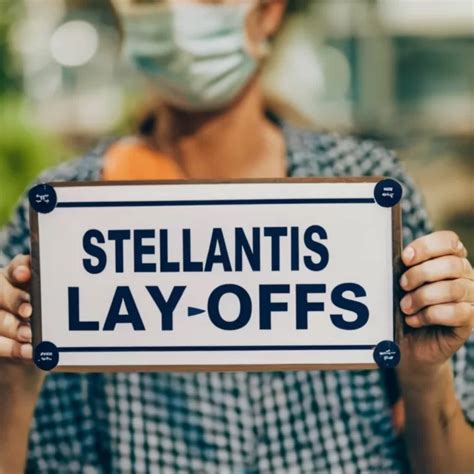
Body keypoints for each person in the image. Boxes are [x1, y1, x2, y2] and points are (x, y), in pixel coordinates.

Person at [0, 1, 473, 472]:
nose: (177, 11)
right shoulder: (57, 219)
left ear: (268, 12)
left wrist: (425, 376)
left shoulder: (369, 186)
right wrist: (11, 383)